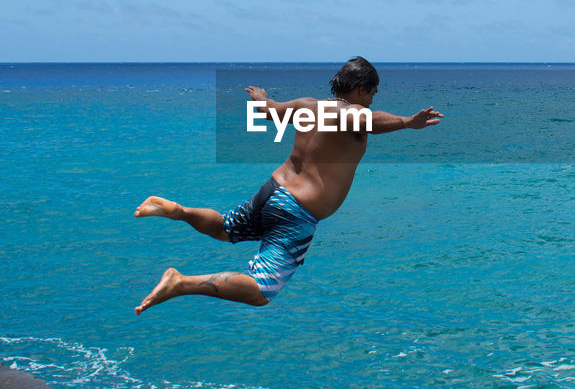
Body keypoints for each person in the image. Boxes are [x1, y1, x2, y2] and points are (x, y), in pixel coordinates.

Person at [134, 57, 442, 311]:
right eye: (372, 93)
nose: (372, 100)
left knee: (225, 229)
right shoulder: (353, 113)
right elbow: (370, 122)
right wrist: (407, 122)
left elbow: (266, 110)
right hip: (296, 212)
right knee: (261, 290)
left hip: (273, 191)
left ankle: (180, 211)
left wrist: (260, 97)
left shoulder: (307, 106)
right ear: (360, 89)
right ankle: (181, 283)